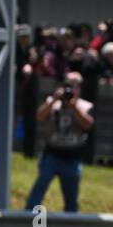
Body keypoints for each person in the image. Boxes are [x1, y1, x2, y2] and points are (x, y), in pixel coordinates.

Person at [25, 72, 95, 213]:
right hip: (52, 154)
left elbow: (88, 125)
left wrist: (72, 106)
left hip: (72, 157)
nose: (71, 89)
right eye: (68, 85)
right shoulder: (53, 102)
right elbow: (39, 116)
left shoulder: (84, 105)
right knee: (40, 188)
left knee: (71, 197)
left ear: (79, 88)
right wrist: (54, 100)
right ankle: (32, 221)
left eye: (75, 86)